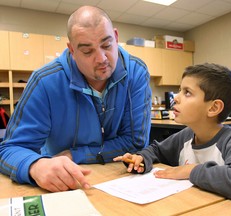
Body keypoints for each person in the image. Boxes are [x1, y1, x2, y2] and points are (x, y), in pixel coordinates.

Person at [0, 6, 151, 192]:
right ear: (72, 50)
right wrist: (35, 166)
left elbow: (135, 143)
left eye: (107, 45)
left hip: (120, 179)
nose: (102, 58)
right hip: (64, 181)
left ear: (116, 37)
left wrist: (75, 154)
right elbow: (10, 149)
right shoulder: (45, 81)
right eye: (88, 51)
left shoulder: (136, 73)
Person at [114, 63, 231, 203]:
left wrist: (191, 170)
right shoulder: (187, 135)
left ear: (213, 108)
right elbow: (157, 150)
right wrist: (142, 158)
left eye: (187, 93)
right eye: (180, 90)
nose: (176, 98)